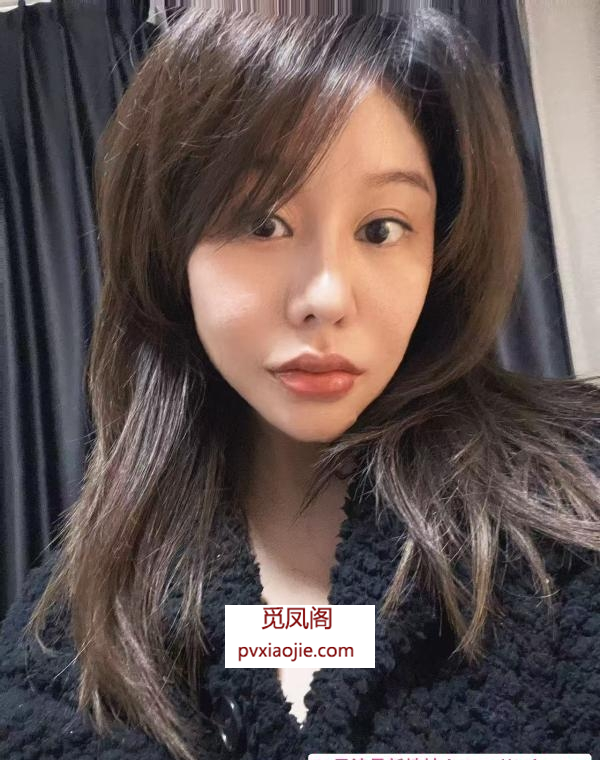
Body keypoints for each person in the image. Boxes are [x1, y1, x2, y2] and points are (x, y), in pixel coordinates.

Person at [1, 7, 599, 760]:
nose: (326, 296)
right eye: (262, 223)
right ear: (169, 251)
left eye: (381, 229)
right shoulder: (75, 625)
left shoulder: (578, 506)